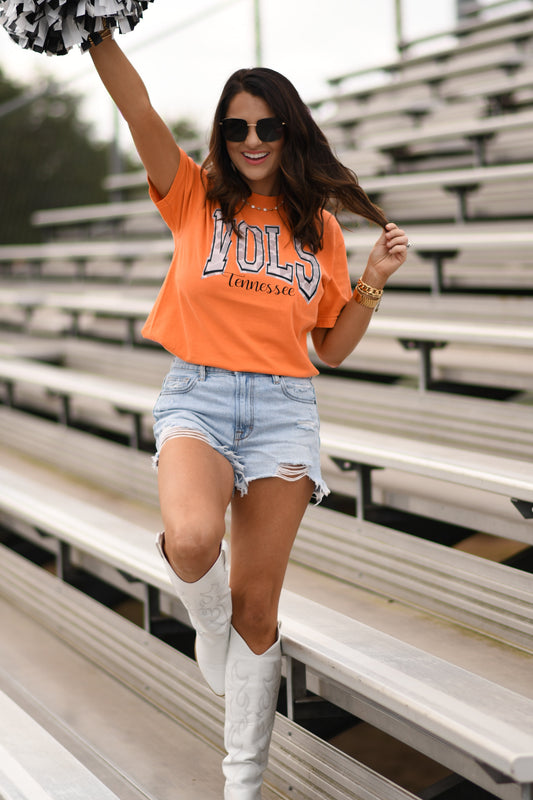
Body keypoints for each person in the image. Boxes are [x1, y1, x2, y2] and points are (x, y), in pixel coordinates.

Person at [87, 25, 408, 800]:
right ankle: (205, 624)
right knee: (193, 543)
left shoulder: (318, 229)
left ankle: (242, 786)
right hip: (196, 394)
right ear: (222, 136)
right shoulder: (192, 195)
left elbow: (329, 350)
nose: (252, 139)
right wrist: (92, 32)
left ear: (288, 130)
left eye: (266, 125)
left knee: (258, 611)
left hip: (283, 412)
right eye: (237, 126)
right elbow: (138, 111)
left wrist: (370, 279)